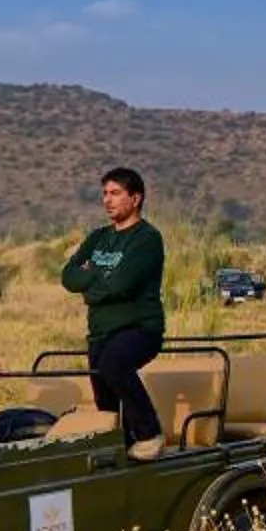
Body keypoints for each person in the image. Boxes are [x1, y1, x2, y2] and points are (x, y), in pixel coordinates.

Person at [61, 166, 170, 459]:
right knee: (105, 397)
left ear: (135, 199)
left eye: (115, 193)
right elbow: (68, 276)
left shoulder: (147, 238)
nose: (107, 200)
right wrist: (99, 280)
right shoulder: (98, 237)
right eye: (105, 194)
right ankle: (120, 447)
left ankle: (150, 434)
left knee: (115, 364)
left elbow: (122, 284)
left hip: (139, 328)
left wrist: (91, 277)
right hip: (99, 331)